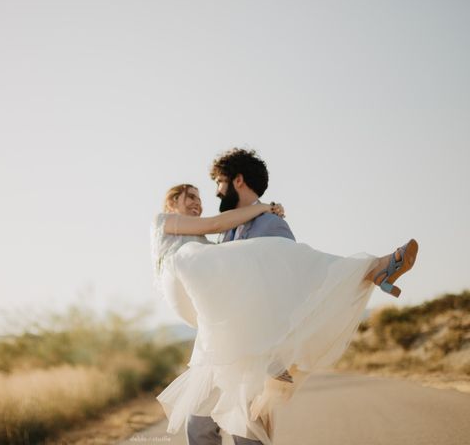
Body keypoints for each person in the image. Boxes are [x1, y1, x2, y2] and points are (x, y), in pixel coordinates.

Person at [150, 149, 418, 445]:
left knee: (248, 431)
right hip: (220, 346)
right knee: (199, 425)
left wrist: (275, 362)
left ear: (237, 181)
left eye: (219, 183)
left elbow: (290, 284)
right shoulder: (222, 234)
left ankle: (374, 267)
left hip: (254, 353)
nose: (214, 193)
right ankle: (374, 268)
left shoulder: (271, 224)